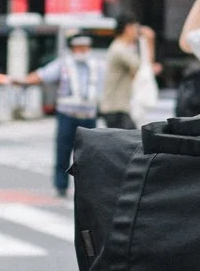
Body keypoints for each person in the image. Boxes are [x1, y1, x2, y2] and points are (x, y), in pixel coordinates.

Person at [27, 30, 103, 194]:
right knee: (63, 152)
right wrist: (22, 81)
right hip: (67, 116)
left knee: (89, 155)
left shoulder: (97, 65)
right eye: (79, 47)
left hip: (89, 116)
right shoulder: (63, 64)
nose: (83, 50)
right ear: (72, 48)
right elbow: (42, 75)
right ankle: (61, 186)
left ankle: (87, 188)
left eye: (85, 47)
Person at [98, 19, 152, 128]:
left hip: (119, 107)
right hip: (115, 108)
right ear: (128, 28)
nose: (138, 32)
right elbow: (140, 64)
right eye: (136, 28)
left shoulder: (122, 47)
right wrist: (147, 41)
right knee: (131, 140)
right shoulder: (119, 49)